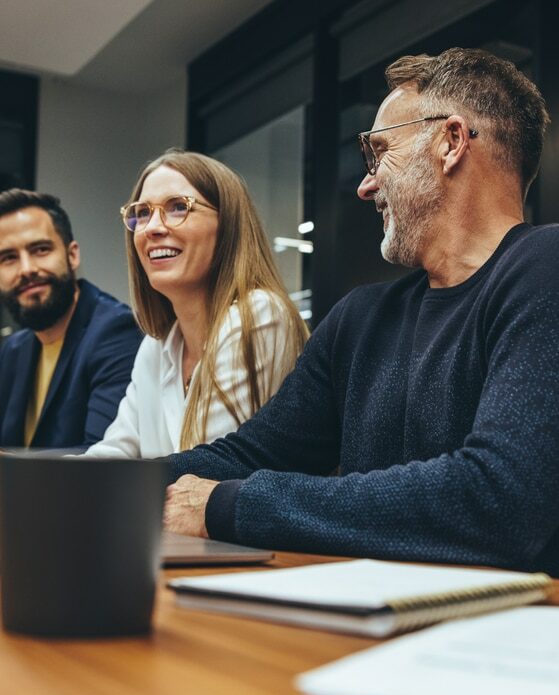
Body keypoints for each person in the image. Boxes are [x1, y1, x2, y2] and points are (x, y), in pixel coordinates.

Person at [163, 47, 559, 576]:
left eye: (379, 153)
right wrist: (106, 487)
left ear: (451, 141)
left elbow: (499, 500)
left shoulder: (544, 268)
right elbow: (251, 455)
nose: (365, 184)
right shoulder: (361, 317)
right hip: (372, 620)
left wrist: (227, 506)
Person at [85, 150, 308, 458]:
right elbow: (115, 452)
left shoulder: (260, 315)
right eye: (143, 213)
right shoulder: (157, 346)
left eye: (178, 207)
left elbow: (204, 472)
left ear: (228, 226)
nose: (152, 228)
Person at [0, 190, 142, 450]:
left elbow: (99, 460)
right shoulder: (13, 349)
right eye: (8, 258)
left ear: (72, 255)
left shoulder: (116, 332)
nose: (26, 269)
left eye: (40, 249)